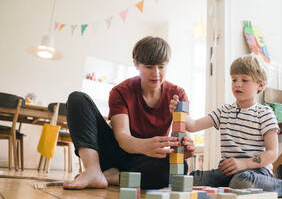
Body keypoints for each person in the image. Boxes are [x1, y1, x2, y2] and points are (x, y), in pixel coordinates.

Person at [169, 54, 282, 198]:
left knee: (241, 182)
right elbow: (193, 125)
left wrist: (243, 163)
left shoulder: (265, 113)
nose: (238, 84)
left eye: (244, 80)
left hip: (256, 171)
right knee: (193, 179)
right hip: (226, 171)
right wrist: (179, 111)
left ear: (260, 85)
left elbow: (271, 153)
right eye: (234, 80)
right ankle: (237, 184)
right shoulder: (224, 111)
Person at [63, 36, 195, 190]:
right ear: (136, 64)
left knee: (180, 169)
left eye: (161, 67)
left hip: (144, 162)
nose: (156, 73)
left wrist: (183, 148)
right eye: (149, 67)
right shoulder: (121, 91)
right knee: (78, 99)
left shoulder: (177, 93)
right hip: (114, 152)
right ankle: (92, 169)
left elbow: (182, 133)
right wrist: (144, 145)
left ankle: (112, 177)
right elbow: (122, 137)